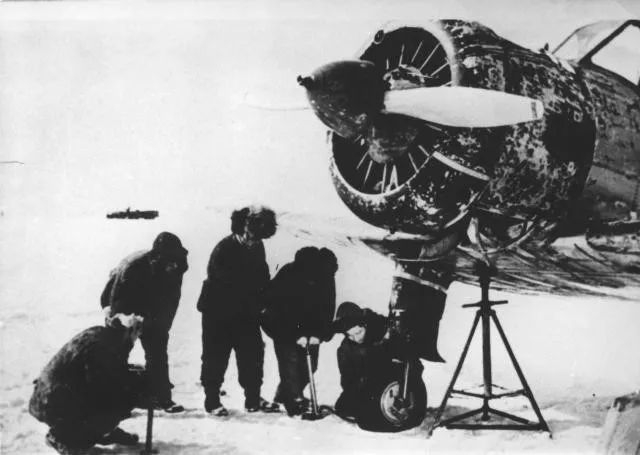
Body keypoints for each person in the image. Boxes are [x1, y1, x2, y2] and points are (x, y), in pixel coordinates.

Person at [197, 206, 278, 416]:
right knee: (215, 357)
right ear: (243, 229)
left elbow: (261, 274)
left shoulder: (257, 245)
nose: (254, 242)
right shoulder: (224, 249)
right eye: (252, 237)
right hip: (218, 313)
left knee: (252, 355)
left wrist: (265, 296)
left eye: (259, 239)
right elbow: (225, 284)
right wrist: (252, 296)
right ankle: (212, 400)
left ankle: (253, 399)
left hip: (246, 312)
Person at [29, 313, 147, 455]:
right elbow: (101, 389)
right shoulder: (105, 347)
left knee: (111, 399)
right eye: (137, 332)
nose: (137, 337)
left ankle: (99, 433)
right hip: (52, 406)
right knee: (115, 402)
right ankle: (62, 439)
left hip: (46, 398)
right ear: (129, 330)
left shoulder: (102, 335)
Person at [101, 231, 189, 413]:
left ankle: (162, 398)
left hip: (152, 309)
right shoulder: (133, 267)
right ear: (157, 257)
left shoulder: (177, 265)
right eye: (169, 261)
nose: (173, 265)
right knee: (118, 353)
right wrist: (123, 320)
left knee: (158, 354)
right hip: (122, 304)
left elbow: (171, 301)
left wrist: (161, 325)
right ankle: (113, 401)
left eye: (175, 261)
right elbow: (117, 299)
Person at [260, 246, 337, 416]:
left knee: (311, 365)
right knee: (291, 364)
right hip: (280, 324)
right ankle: (293, 402)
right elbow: (282, 310)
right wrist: (295, 335)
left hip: (307, 326)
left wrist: (320, 335)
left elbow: (327, 308)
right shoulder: (289, 274)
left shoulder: (326, 275)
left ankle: (284, 395)